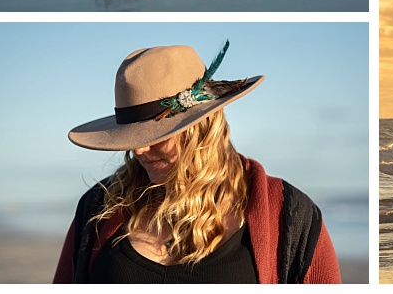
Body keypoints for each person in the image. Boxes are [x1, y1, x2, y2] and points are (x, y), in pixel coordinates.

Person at [53, 41, 341, 283]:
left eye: (157, 135)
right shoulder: (98, 209)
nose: (139, 150)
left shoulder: (289, 217)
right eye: (132, 136)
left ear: (202, 127)